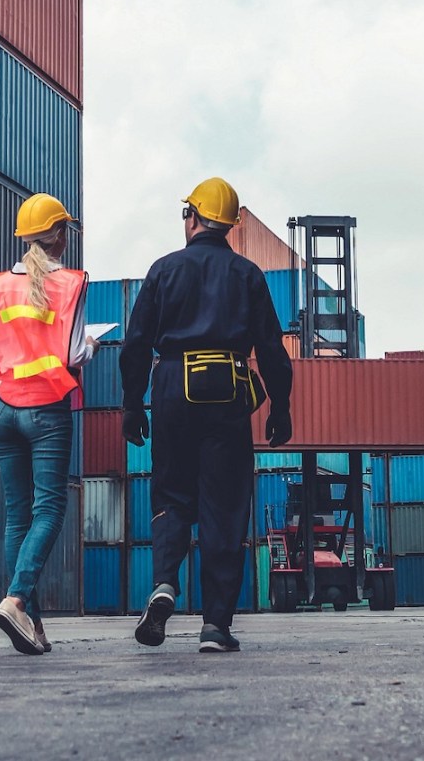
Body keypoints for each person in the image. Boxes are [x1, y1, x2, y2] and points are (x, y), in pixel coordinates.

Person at [119, 177, 294, 653]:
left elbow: (136, 345)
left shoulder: (163, 270)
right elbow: (272, 349)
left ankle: (164, 583)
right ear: (230, 225)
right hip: (226, 391)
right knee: (225, 506)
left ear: (192, 218)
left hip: (173, 387)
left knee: (172, 494)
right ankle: (216, 625)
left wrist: (132, 405)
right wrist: (280, 407)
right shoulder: (248, 274)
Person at [0, 192, 92, 655]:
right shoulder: (70, 285)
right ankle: (17, 599)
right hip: (46, 412)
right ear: (60, 235)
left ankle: (33, 626)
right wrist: (92, 347)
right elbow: (75, 352)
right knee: (49, 510)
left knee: (17, 515)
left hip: (3, 411)